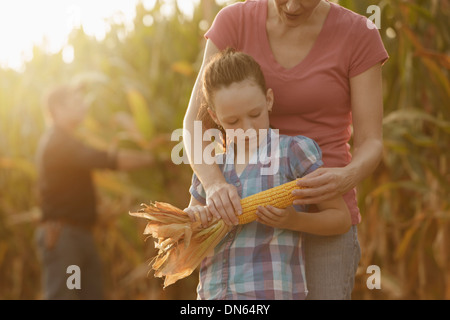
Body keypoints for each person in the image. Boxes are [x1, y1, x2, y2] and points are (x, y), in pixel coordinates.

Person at [183, 0, 389, 299]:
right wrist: (214, 184)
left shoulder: (359, 33)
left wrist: (347, 176)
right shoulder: (234, 20)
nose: (291, 7)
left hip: (324, 209)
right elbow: (196, 121)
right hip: (247, 204)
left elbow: (371, 140)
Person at [183, 48, 351, 299]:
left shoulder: (292, 152)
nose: (247, 128)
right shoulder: (210, 169)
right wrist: (194, 219)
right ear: (214, 117)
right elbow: (190, 240)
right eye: (232, 121)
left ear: (269, 100)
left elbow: (341, 218)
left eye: (255, 114)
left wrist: (294, 221)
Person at [35, 83, 156, 300]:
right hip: (66, 237)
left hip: (78, 235)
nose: (83, 106)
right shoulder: (58, 143)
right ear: (58, 108)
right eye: (76, 102)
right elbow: (106, 160)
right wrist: (153, 160)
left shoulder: (66, 141)